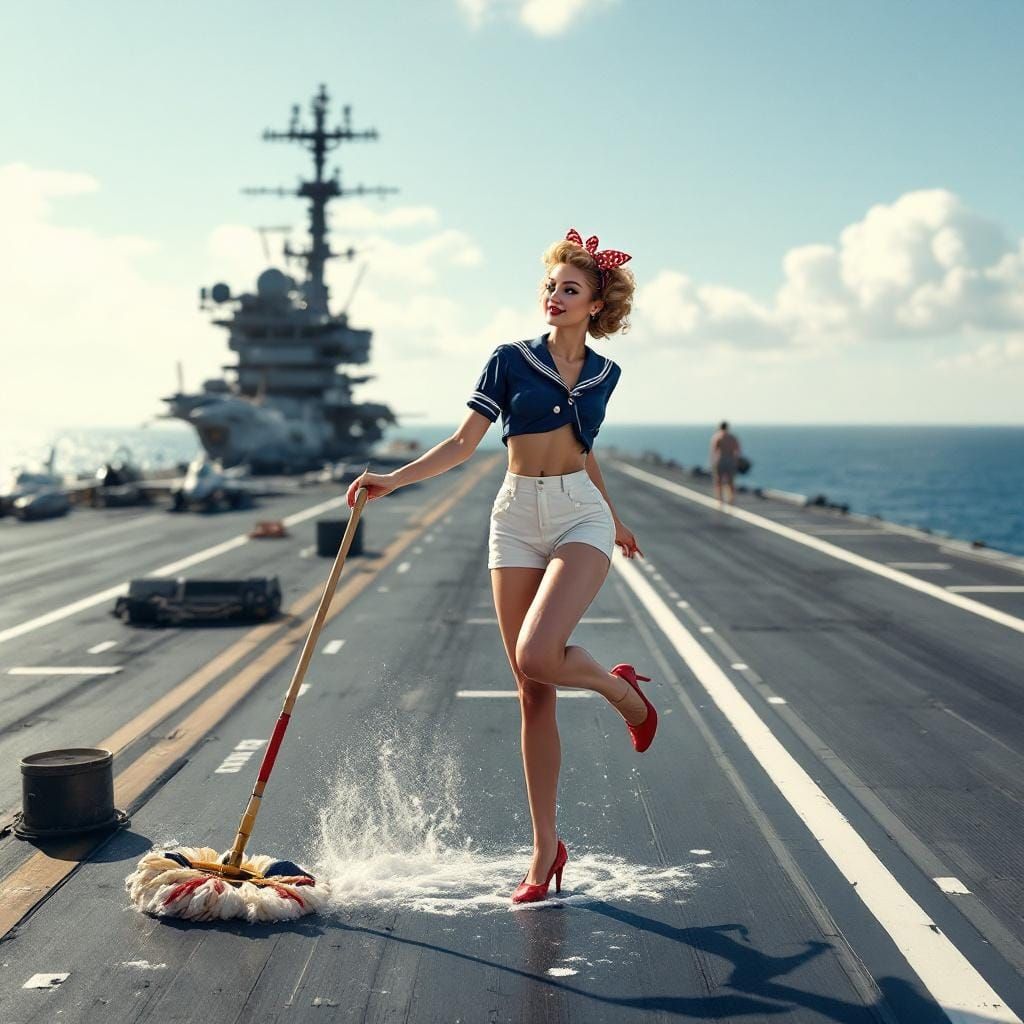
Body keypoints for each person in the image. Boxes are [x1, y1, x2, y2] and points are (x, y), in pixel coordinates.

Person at [346, 227, 656, 905]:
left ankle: (621, 693)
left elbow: (585, 449)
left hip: (579, 513)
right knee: (531, 686)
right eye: (550, 286)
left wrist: (615, 517)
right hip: (515, 516)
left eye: (569, 288)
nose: (554, 295)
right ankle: (547, 850)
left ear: (596, 303)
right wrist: (393, 480)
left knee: (540, 652)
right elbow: (464, 441)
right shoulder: (509, 359)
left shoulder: (608, 374)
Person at [709, 421, 742, 506]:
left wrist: (712, 462)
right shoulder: (733, 437)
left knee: (719, 480)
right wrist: (736, 461)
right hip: (731, 460)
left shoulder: (717, 437)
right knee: (731, 481)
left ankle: (720, 500)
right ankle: (731, 499)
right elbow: (738, 450)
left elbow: (714, 450)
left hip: (720, 460)